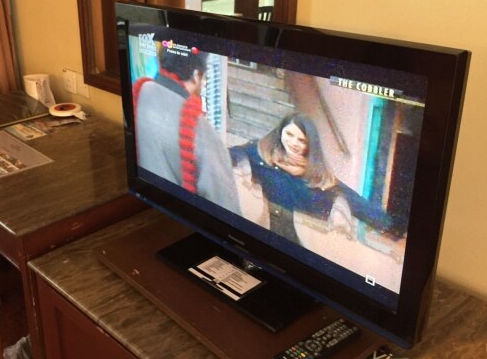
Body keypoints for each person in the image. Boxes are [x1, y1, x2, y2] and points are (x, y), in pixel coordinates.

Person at [230, 113, 394, 245]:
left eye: (301, 140)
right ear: (281, 132)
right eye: (289, 134)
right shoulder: (262, 154)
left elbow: (354, 201)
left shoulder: (318, 176)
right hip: (262, 236)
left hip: (300, 245)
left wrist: (389, 226)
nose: (293, 143)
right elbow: (230, 155)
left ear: (310, 144)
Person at [133, 41, 240, 214]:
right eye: (204, 78)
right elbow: (228, 214)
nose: (203, 84)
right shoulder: (203, 133)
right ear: (197, 75)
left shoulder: (140, 91)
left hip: (144, 208)